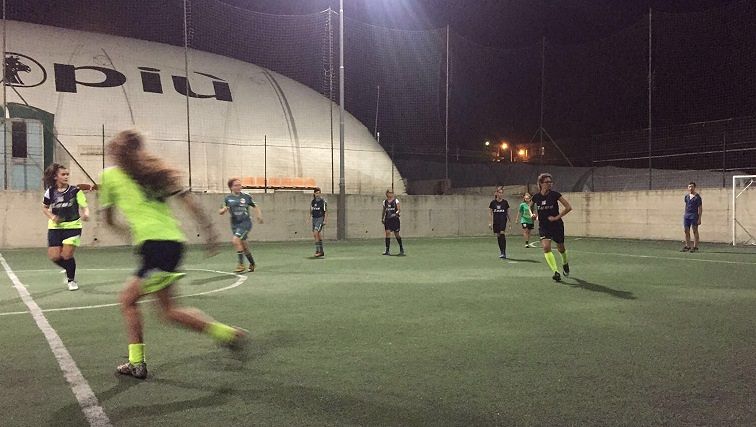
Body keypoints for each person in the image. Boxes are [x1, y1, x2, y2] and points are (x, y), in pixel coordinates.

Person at [99, 129, 246, 380]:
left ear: (116, 152)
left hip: (154, 246)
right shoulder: (153, 172)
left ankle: (138, 363)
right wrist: (209, 232)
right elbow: (189, 202)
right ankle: (225, 334)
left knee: (135, 303)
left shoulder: (109, 176)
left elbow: (108, 220)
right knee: (165, 309)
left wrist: (126, 231)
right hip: (173, 243)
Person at [42, 163, 89, 291]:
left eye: (67, 174)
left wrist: (86, 214)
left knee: (67, 255)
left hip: (73, 227)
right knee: (54, 257)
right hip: (55, 228)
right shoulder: (50, 192)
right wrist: (52, 217)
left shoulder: (75, 191)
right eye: (63, 174)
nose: (66, 176)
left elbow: (84, 206)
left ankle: (71, 280)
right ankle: (68, 269)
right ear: (55, 177)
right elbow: (45, 208)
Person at [531, 173, 572, 282]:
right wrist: (533, 215)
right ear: (541, 183)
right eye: (547, 182)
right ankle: (555, 272)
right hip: (544, 226)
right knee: (546, 247)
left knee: (561, 248)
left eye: (550, 182)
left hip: (556, 225)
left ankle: (565, 263)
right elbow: (530, 207)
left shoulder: (555, 195)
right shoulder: (536, 197)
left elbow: (568, 207)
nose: (549, 184)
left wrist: (556, 217)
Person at [219, 178, 263, 272]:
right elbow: (220, 211)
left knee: (235, 240)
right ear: (231, 187)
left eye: (239, 185)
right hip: (235, 224)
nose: (239, 187)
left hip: (245, 223)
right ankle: (252, 263)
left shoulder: (246, 197)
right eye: (236, 185)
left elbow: (255, 206)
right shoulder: (227, 198)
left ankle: (241, 265)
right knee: (244, 245)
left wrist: (259, 215)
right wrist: (224, 210)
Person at [488, 187, 510, 259]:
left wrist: (510, 222)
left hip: (503, 220)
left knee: (502, 233)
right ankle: (501, 251)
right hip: (496, 221)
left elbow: (507, 213)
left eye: (502, 193)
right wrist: (490, 222)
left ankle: (504, 252)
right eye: (499, 192)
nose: (501, 194)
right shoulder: (493, 203)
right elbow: (490, 213)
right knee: (498, 235)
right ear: (496, 193)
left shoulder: (505, 202)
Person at [381, 189, 405, 256]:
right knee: (387, 233)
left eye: (391, 193)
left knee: (396, 234)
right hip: (387, 220)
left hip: (395, 220)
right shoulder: (385, 202)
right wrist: (382, 218)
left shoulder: (396, 201)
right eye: (389, 193)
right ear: (387, 193)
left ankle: (401, 249)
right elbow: (384, 210)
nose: (390, 194)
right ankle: (387, 250)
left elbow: (399, 209)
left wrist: (396, 213)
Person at [681, 182, 702, 252]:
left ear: (694, 187)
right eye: (689, 187)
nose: (690, 188)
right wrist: (685, 214)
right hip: (687, 215)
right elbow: (686, 206)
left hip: (694, 215)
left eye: (692, 186)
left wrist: (699, 218)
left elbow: (700, 208)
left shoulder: (697, 197)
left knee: (695, 230)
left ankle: (695, 247)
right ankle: (688, 246)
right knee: (686, 230)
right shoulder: (686, 197)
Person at [309, 187, 327, 257]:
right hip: (314, 219)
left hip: (320, 218)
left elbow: (326, 212)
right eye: (316, 193)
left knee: (315, 232)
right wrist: (310, 216)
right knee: (317, 234)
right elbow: (311, 209)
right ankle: (321, 251)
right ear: (314, 194)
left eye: (319, 193)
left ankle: (318, 251)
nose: (318, 194)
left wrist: (324, 220)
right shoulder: (313, 201)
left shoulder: (323, 202)